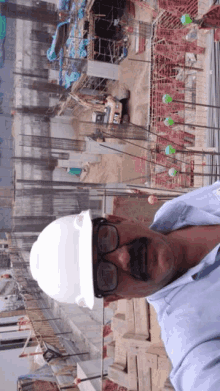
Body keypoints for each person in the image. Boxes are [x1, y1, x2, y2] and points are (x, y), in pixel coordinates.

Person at [30, 181, 220, 391]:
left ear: (118, 219)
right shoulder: (189, 335)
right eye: (104, 275)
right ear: (114, 298)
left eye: (104, 239)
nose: (124, 256)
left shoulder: (176, 211)